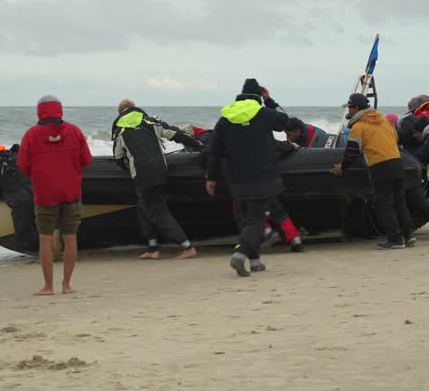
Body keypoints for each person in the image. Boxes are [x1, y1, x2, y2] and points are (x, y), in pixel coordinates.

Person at [206, 78, 295, 276]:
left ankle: (255, 262)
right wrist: (269, 100)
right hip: (262, 176)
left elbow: (215, 151)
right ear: (258, 96)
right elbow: (284, 121)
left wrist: (211, 178)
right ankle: (240, 254)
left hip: (236, 178)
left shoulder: (225, 118)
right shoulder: (263, 113)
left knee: (247, 220)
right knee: (257, 221)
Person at [18, 94, 92, 295]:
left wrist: (39, 176)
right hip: (71, 192)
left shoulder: (31, 135)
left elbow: (23, 165)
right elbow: (86, 160)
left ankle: (48, 286)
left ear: (39, 111)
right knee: (70, 238)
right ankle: (66, 285)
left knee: (45, 239)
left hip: (44, 194)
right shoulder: (74, 131)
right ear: (60, 109)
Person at [112, 100, 200, 259]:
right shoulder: (149, 121)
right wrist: (198, 146)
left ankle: (187, 246)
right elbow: (175, 134)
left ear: (120, 113)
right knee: (143, 207)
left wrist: (129, 166)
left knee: (158, 211)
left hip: (142, 175)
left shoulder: (121, 130)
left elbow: (118, 158)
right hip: (160, 170)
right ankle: (153, 248)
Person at [330, 93, 414, 249]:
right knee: (400, 203)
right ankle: (408, 236)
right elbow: (396, 139)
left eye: (349, 107)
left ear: (355, 108)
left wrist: (342, 167)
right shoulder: (385, 121)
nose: (349, 111)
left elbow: (352, 152)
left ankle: (395, 240)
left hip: (380, 166)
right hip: (397, 163)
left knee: (384, 205)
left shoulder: (359, 127)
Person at [0, 142, 37, 252]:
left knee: (23, 234)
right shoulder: (15, 155)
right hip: (37, 193)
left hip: (20, 200)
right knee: (41, 222)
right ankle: (52, 237)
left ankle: (41, 248)